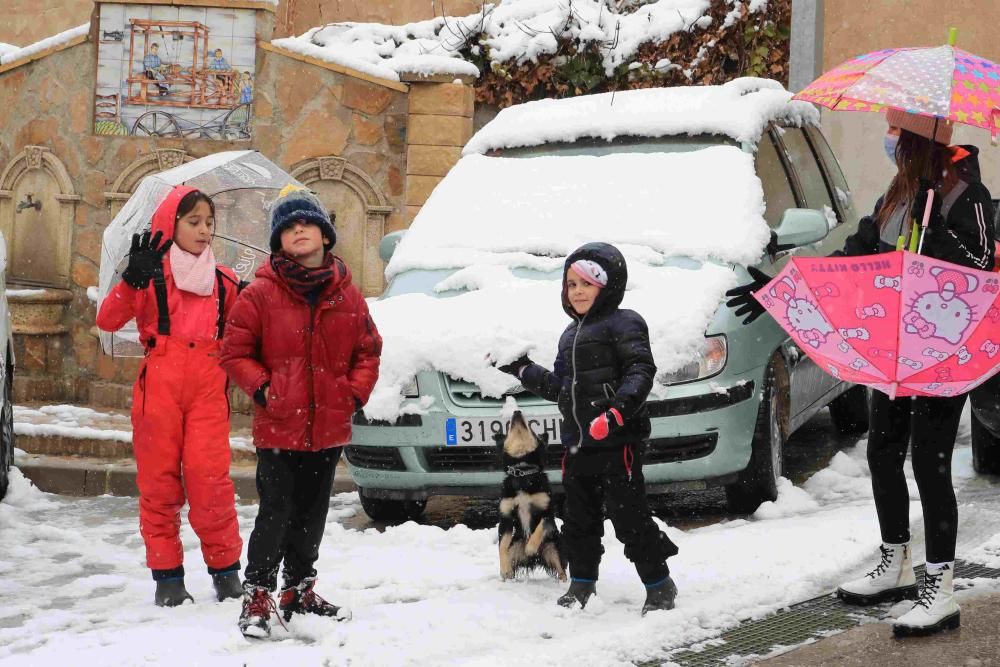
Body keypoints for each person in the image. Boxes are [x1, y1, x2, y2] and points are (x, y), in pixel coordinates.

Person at [726, 109, 995, 637]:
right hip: (894, 352)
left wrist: (935, 227)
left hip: (943, 353)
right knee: (883, 452)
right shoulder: (897, 194)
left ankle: (939, 589)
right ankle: (895, 561)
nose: (888, 140)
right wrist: (780, 287)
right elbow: (856, 258)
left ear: (920, 140)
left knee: (931, 464)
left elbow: (980, 267)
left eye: (896, 132)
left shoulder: (967, 195)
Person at [220, 185, 382, 639]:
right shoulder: (260, 294)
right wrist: (265, 389)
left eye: (307, 223)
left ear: (326, 235)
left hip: (329, 425)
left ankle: (299, 589)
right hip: (280, 426)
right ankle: (258, 593)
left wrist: (352, 394)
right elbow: (235, 352)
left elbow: (368, 350)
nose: (299, 231)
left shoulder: (347, 295)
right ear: (278, 242)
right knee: (276, 510)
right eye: (288, 227)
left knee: (312, 511)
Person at [494, 242, 679, 615]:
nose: (577, 292)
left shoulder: (625, 323)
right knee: (579, 520)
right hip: (578, 444)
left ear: (607, 288)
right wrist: (521, 369)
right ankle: (582, 584)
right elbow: (560, 388)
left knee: (629, 519)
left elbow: (640, 372)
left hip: (618, 442)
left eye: (586, 284)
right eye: (571, 284)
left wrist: (615, 414)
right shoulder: (569, 334)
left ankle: (659, 584)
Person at [96, 186, 244, 607]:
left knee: (209, 480)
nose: (204, 230)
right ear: (170, 224)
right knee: (158, 483)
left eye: (209, 223)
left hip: (207, 389)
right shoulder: (147, 274)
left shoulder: (225, 279)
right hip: (158, 384)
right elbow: (107, 319)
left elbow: (246, 334)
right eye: (193, 221)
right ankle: (168, 579)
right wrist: (129, 281)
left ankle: (226, 572)